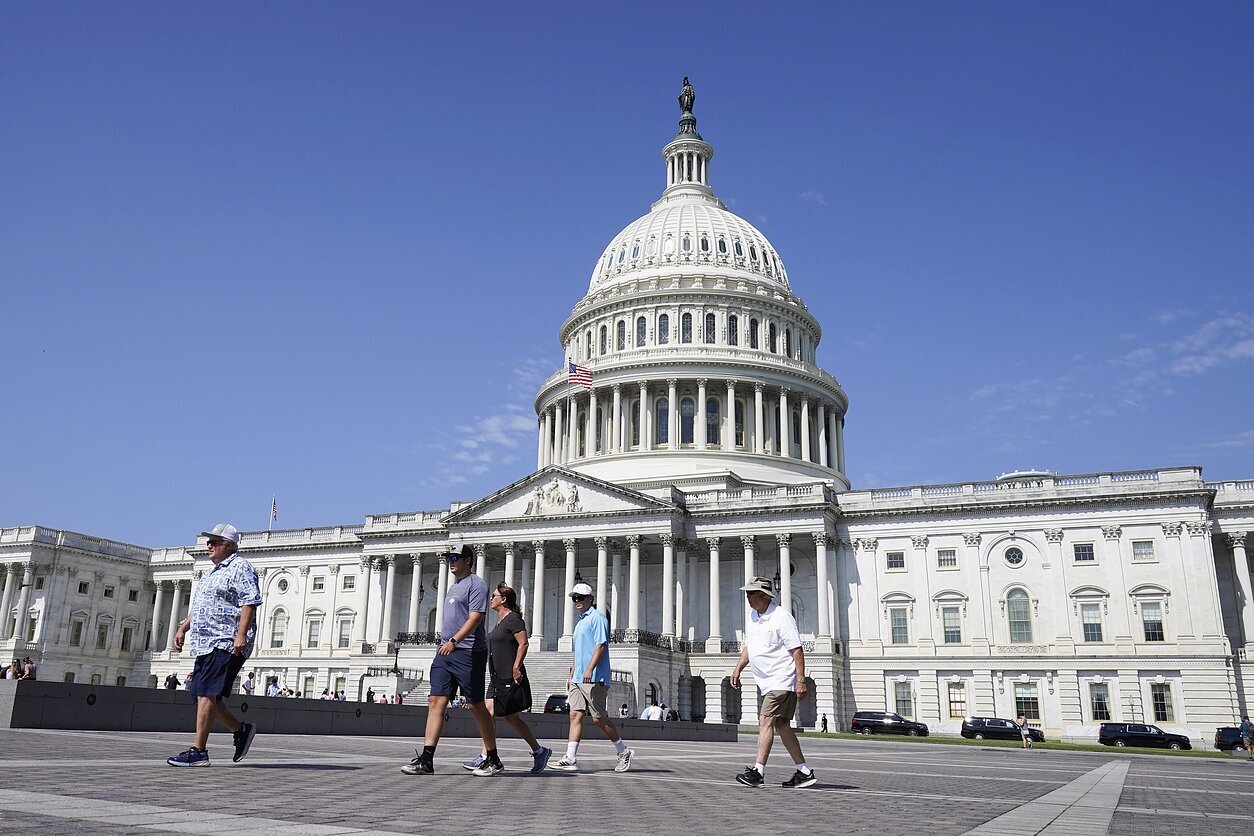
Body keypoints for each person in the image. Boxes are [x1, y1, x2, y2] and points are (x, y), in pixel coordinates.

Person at [165, 523, 262, 767]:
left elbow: (250, 602)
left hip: (225, 639)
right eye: (208, 541)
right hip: (205, 642)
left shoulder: (240, 567)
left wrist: (241, 635)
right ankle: (241, 731)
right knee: (201, 693)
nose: (208, 545)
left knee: (207, 692)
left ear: (229, 545)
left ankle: (199, 751)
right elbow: (200, 607)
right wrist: (182, 628)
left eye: (214, 542)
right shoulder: (210, 573)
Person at [401, 545, 502, 777]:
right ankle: (427, 759)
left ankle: (493, 758)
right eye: (448, 558)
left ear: (468, 560)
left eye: (455, 558)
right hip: (445, 652)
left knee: (476, 705)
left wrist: (454, 641)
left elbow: (476, 619)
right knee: (436, 701)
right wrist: (445, 644)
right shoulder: (454, 586)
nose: (450, 562)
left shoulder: (477, 585)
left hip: (467, 651)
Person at [731, 576, 816, 789]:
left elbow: (796, 649)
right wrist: (738, 667)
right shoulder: (752, 616)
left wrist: (801, 680)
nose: (747, 597)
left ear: (763, 595)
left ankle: (758, 771)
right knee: (782, 725)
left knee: (766, 720)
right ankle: (804, 771)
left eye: (750, 593)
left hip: (781, 679)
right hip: (767, 681)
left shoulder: (782, 617)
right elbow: (751, 646)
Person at [463, 583, 553, 774]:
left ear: (503, 599)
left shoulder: (513, 620)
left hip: (508, 674)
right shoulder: (498, 621)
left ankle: (538, 751)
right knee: (490, 712)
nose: (490, 598)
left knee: (510, 717)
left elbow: (524, 643)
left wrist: (516, 667)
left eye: (494, 595)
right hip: (496, 675)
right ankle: (487, 755)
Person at [550, 582, 634, 773]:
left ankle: (624, 751)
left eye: (580, 597)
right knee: (575, 714)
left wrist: (589, 669)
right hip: (578, 677)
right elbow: (579, 651)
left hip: (594, 677)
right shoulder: (581, 621)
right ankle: (570, 757)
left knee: (598, 718)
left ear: (590, 599)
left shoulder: (598, 618)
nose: (577, 601)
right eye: (574, 598)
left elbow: (600, 646)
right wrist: (572, 673)